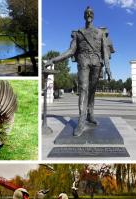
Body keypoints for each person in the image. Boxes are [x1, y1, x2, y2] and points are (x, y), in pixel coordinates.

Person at [45, 6, 114, 136]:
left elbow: (105, 52)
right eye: (87, 13)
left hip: (97, 63)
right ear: (84, 16)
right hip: (83, 62)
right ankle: (81, 120)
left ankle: (90, 114)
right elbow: (70, 51)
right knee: (83, 88)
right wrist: (53, 60)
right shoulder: (79, 33)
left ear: (93, 15)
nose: (89, 14)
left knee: (92, 90)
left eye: (91, 13)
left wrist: (109, 69)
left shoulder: (100, 33)